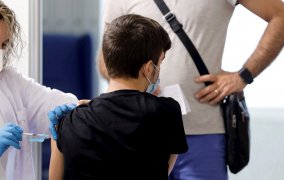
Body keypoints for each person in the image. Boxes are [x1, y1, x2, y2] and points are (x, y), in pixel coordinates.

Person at [99, 0, 284, 180]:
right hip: (138, 132)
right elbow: (105, 60)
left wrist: (243, 76)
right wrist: (138, 85)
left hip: (203, 131)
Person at [48, 14, 188, 180]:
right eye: (160, 63)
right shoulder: (167, 112)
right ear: (149, 68)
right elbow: (163, 170)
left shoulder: (68, 121)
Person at [0, 2, 78, 180]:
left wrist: (74, 111)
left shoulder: (12, 82)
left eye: (3, 45)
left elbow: (54, 102)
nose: (1, 53)